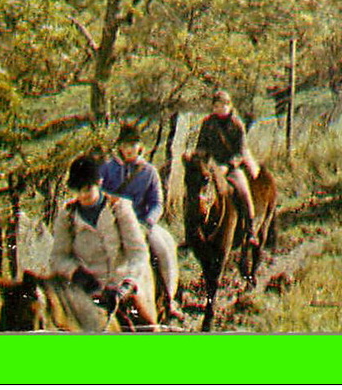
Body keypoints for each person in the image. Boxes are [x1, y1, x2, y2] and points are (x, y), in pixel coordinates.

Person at [48, 154, 153, 325]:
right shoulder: (66, 216)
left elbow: (138, 252)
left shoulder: (119, 208)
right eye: (78, 189)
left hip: (120, 286)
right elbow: (58, 257)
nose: (83, 194)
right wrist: (77, 273)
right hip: (86, 291)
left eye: (88, 188)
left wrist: (126, 286)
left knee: (148, 328)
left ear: (99, 183)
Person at [99, 123, 184, 321]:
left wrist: (147, 223)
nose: (128, 149)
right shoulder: (108, 169)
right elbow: (97, 194)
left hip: (141, 224)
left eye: (133, 144)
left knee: (163, 248)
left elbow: (157, 203)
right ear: (119, 147)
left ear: (139, 146)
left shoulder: (149, 172)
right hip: (112, 222)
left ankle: (169, 300)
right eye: (125, 145)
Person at [195, 91, 262, 249]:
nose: (220, 109)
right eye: (217, 105)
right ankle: (193, 232)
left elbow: (241, 152)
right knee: (196, 190)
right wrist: (200, 156)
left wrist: (228, 166)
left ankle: (251, 230)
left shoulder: (237, 124)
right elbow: (201, 145)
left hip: (232, 166)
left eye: (223, 105)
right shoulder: (207, 123)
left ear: (229, 105)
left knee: (243, 191)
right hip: (212, 166)